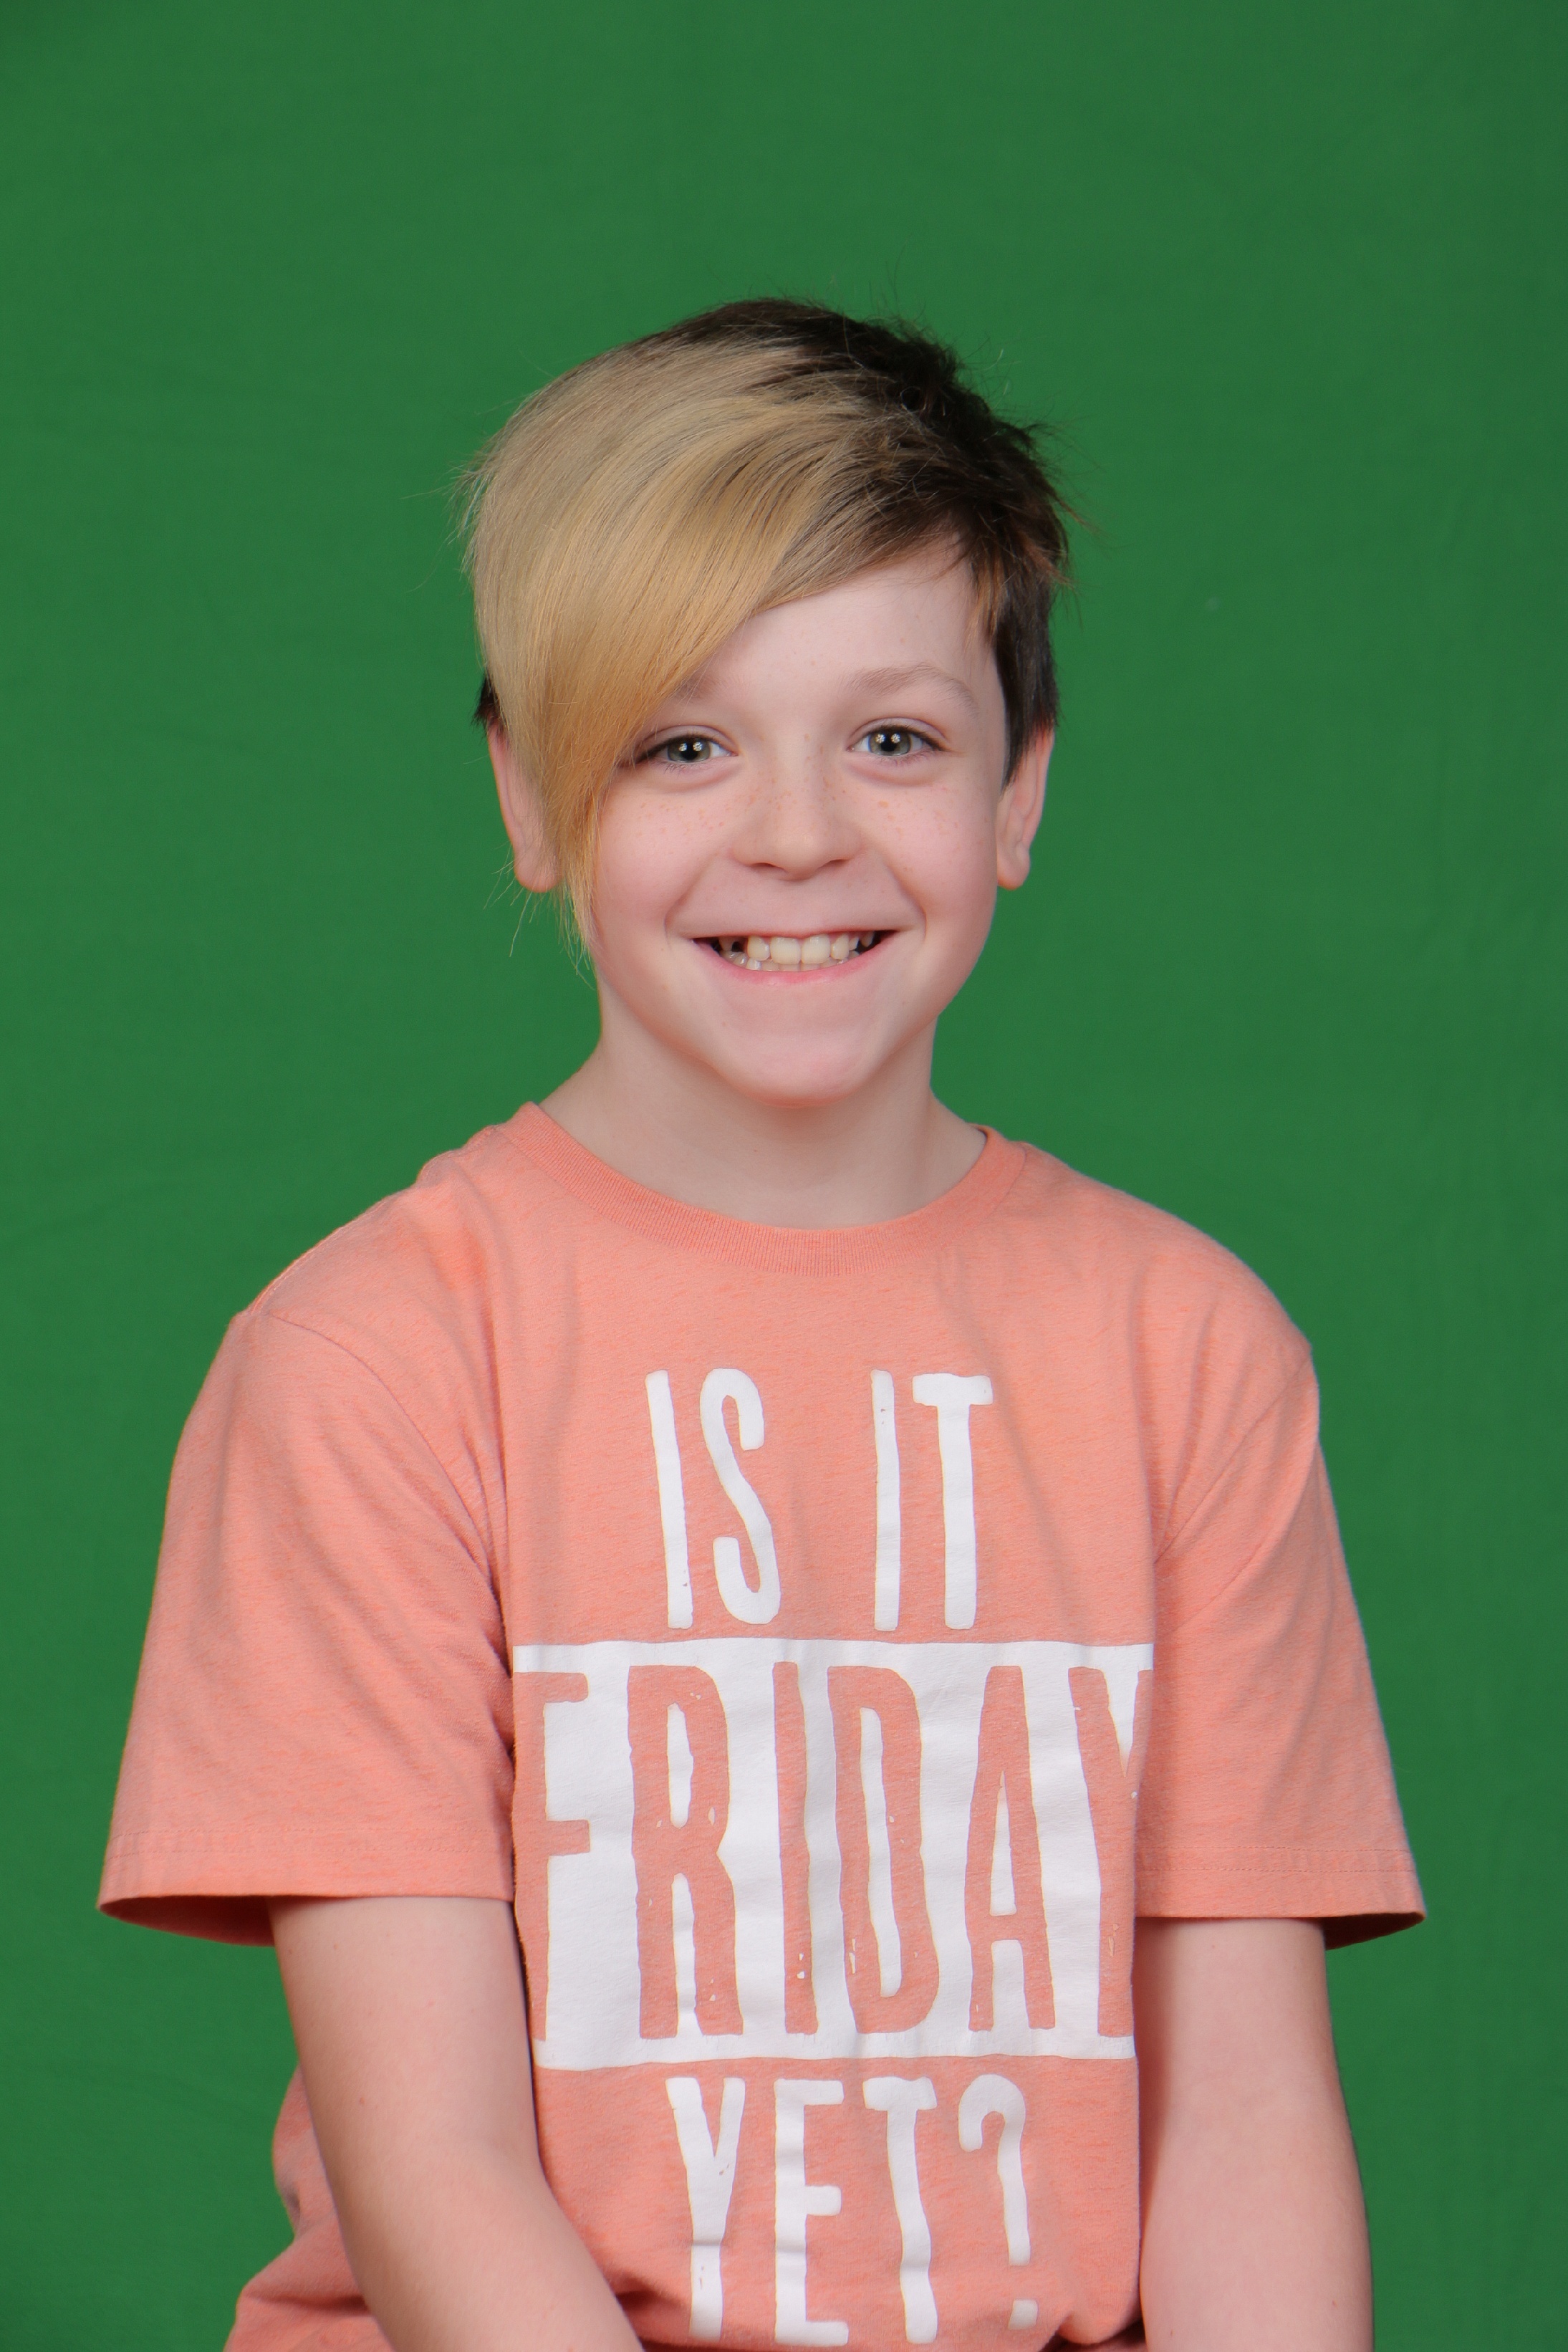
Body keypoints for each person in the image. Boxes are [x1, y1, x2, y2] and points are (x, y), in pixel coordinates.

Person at [101, 300, 1423, 2352]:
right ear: (532, 796)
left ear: (1019, 789)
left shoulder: (1190, 1349)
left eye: (892, 739)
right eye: (682, 742)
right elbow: (438, 2164)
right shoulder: (373, 1357)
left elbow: (1244, 2123)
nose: (797, 832)